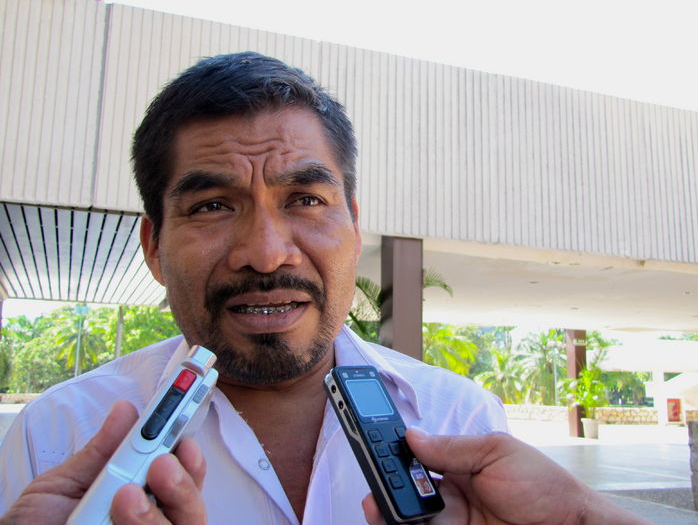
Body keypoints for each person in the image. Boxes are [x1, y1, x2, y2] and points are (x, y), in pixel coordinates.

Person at [0, 52, 646, 525]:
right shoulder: (55, 437)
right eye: (212, 206)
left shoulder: (461, 418)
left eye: (306, 199)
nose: (265, 253)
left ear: (354, 228)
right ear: (153, 247)